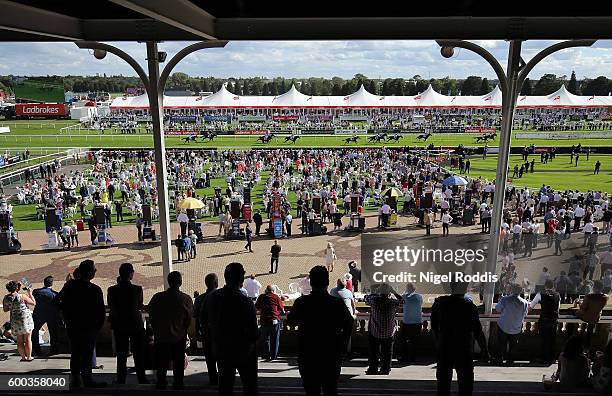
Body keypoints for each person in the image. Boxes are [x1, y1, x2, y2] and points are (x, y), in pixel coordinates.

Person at [287, 266, 354, 396]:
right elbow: (349, 322)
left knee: (311, 390)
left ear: (311, 282)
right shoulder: (337, 304)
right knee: (331, 389)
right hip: (331, 353)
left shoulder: (301, 302)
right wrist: (343, 344)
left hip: (308, 353)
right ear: (327, 282)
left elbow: (291, 321)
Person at [205, 262, 259, 395]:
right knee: (250, 386)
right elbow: (253, 331)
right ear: (241, 279)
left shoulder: (213, 298)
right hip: (243, 350)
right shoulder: (245, 302)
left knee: (225, 386)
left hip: (222, 349)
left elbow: (207, 322)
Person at [431, 279, 489, 396]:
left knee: (443, 385)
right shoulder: (469, 307)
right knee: (466, 385)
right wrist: (485, 350)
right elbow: (477, 330)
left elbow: (434, 327)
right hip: (464, 348)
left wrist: (439, 343)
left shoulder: (439, 304)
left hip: (445, 347)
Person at [57, 260, 106, 388]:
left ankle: (76, 380)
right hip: (89, 327)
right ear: (89, 272)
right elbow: (101, 312)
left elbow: (56, 301)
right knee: (87, 354)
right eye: (94, 269)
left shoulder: (69, 286)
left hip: (73, 326)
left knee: (75, 353)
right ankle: (87, 379)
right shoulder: (95, 290)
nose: (95, 271)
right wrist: (97, 327)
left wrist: (66, 314)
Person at [148, 271, 193, 390]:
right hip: (179, 337)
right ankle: (178, 383)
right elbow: (188, 319)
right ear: (180, 282)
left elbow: (151, 315)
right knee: (178, 362)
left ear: (168, 282)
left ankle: (161, 382)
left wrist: (157, 329)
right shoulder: (186, 299)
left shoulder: (157, 298)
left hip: (161, 336)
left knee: (162, 362)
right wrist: (182, 330)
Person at [107, 263, 148, 384]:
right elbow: (140, 305)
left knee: (121, 354)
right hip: (135, 324)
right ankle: (142, 378)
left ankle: (121, 379)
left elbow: (111, 305)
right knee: (138, 353)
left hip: (119, 324)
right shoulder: (137, 289)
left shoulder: (112, 290)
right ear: (131, 274)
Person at [364, 284, 403, 375]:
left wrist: (375, 292)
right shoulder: (393, 302)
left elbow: (366, 297)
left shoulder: (374, 300)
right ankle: (385, 369)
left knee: (374, 352)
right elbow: (403, 301)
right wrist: (394, 292)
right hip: (389, 331)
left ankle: (373, 369)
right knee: (388, 352)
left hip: (375, 331)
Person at [194, 273, 219, 386]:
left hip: (205, 333)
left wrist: (197, 332)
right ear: (216, 283)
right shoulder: (220, 296)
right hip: (219, 334)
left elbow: (196, 318)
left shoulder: (199, 299)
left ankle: (213, 380)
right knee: (222, 358)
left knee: (209, 359)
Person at [495, 283, 528, 364]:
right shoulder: (524, 302)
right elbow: (525, 314)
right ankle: (510, 360)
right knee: (513, 346)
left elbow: (497, 309)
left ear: (512, 290)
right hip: (516, 327)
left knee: (501, 344)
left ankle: (500, 358)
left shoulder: (505, 299)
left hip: (504, 326)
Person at [3, 280, 35, 361]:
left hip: (14, 320)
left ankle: (23, 357)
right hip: (25, 319)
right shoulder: (22, 296)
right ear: (16, 288)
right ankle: (29, 356)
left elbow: (5, 309)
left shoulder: (6, 298)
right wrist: (30, 293)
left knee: (19, 340)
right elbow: (33, 303)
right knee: (28, 339)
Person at [529, 279, 560, 363]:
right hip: (553, 320)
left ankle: (544, 358)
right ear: (553, 286)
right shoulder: (557, 295)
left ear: (545, 286)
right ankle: (552, 358)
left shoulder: (540, 294)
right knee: (552, 340)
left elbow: (531, 307)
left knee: (544, 340)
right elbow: (558, 308)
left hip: (544, 320)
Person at [575, 280, 609, 350]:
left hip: (586, 316)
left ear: (595, 288)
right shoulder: (605, 297)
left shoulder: (589, 296)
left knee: (577, 313)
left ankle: (579, 333)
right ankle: (587, 344)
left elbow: (583, 308)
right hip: (596, 317)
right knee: (590, 324)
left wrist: (579, 302)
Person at [31, 276, 60, 356]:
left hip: (39, 314)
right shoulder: (54, 294)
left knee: (35, 331)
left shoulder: (36, 292)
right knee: (53, 333)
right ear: (52, 283)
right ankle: (54, 350)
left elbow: (33, 294)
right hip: (51, 315)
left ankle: (36, 349)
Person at [255, 285, 285, 361]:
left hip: (264, 320)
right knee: (275, 339)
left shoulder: (261, 297)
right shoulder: (276, 297)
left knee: (265, 339)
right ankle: (274, 356)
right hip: (274, 320)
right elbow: (282, 309)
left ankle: (266, 355)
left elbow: (256, 307)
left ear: (266, 290)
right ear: (273, 291)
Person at [399, 283, 423, 363]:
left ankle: (404, 357)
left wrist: (404, 291)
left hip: (407, 322)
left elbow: (400, 301)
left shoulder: (404, 296)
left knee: (403, 340)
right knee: (414, 341)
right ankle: (413, 357)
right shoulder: (419, 296)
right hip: (417, 321)